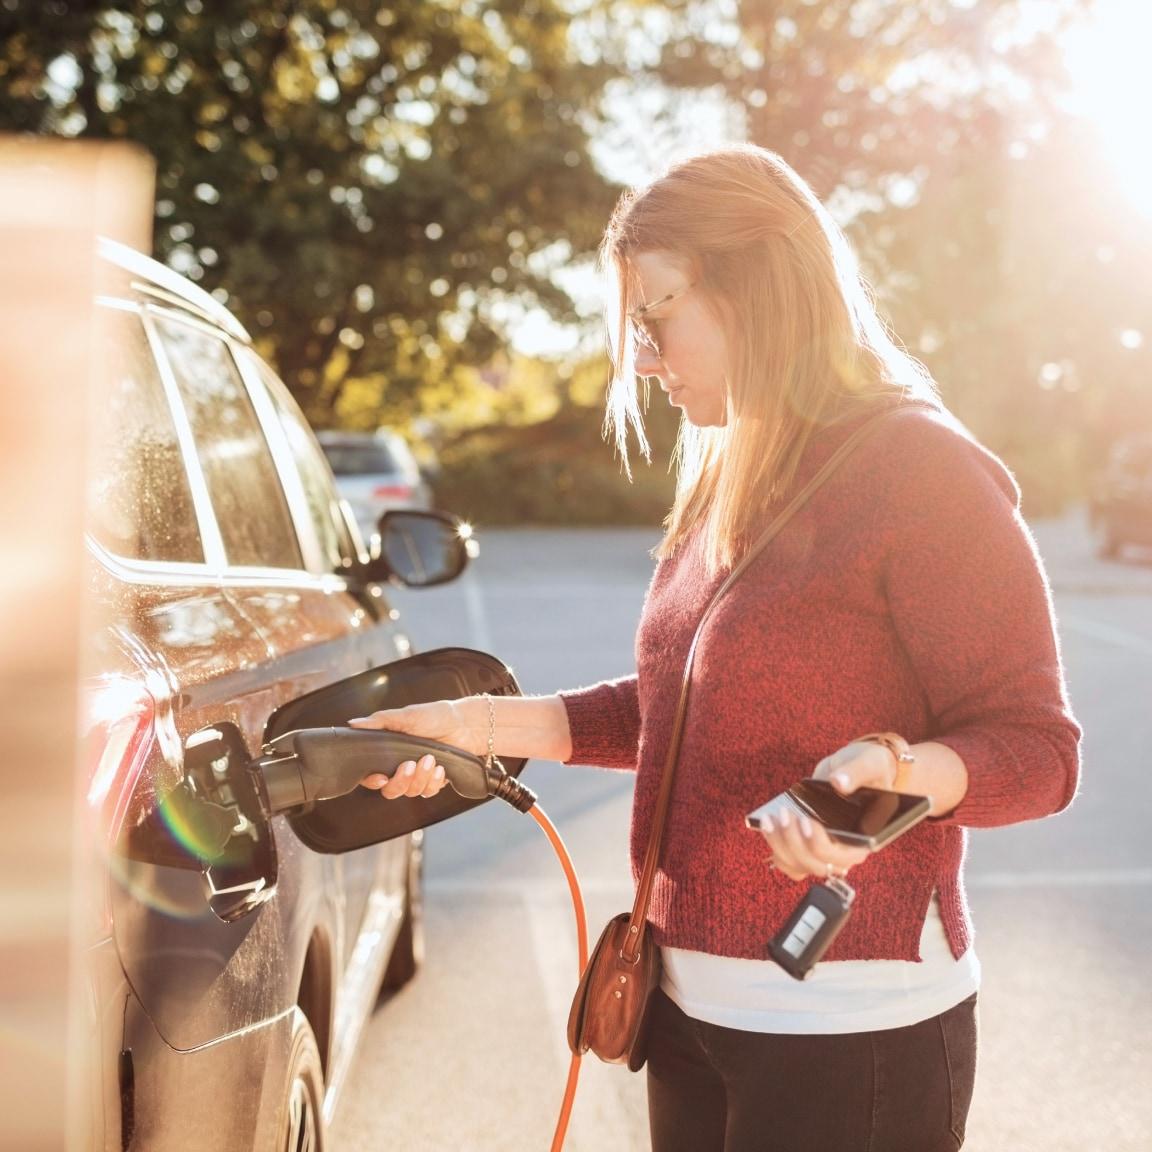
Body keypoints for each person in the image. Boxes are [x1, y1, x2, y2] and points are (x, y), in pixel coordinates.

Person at [350, 145, 1081, 1151]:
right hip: (688, 1006)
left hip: (851, 1028)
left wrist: (900, 773)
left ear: (763, 291)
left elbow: (1040, 751)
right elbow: (671, 710)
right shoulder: (732, 474)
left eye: (655, 321)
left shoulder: (926, 472)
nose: (643, 359)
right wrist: (471, 728)